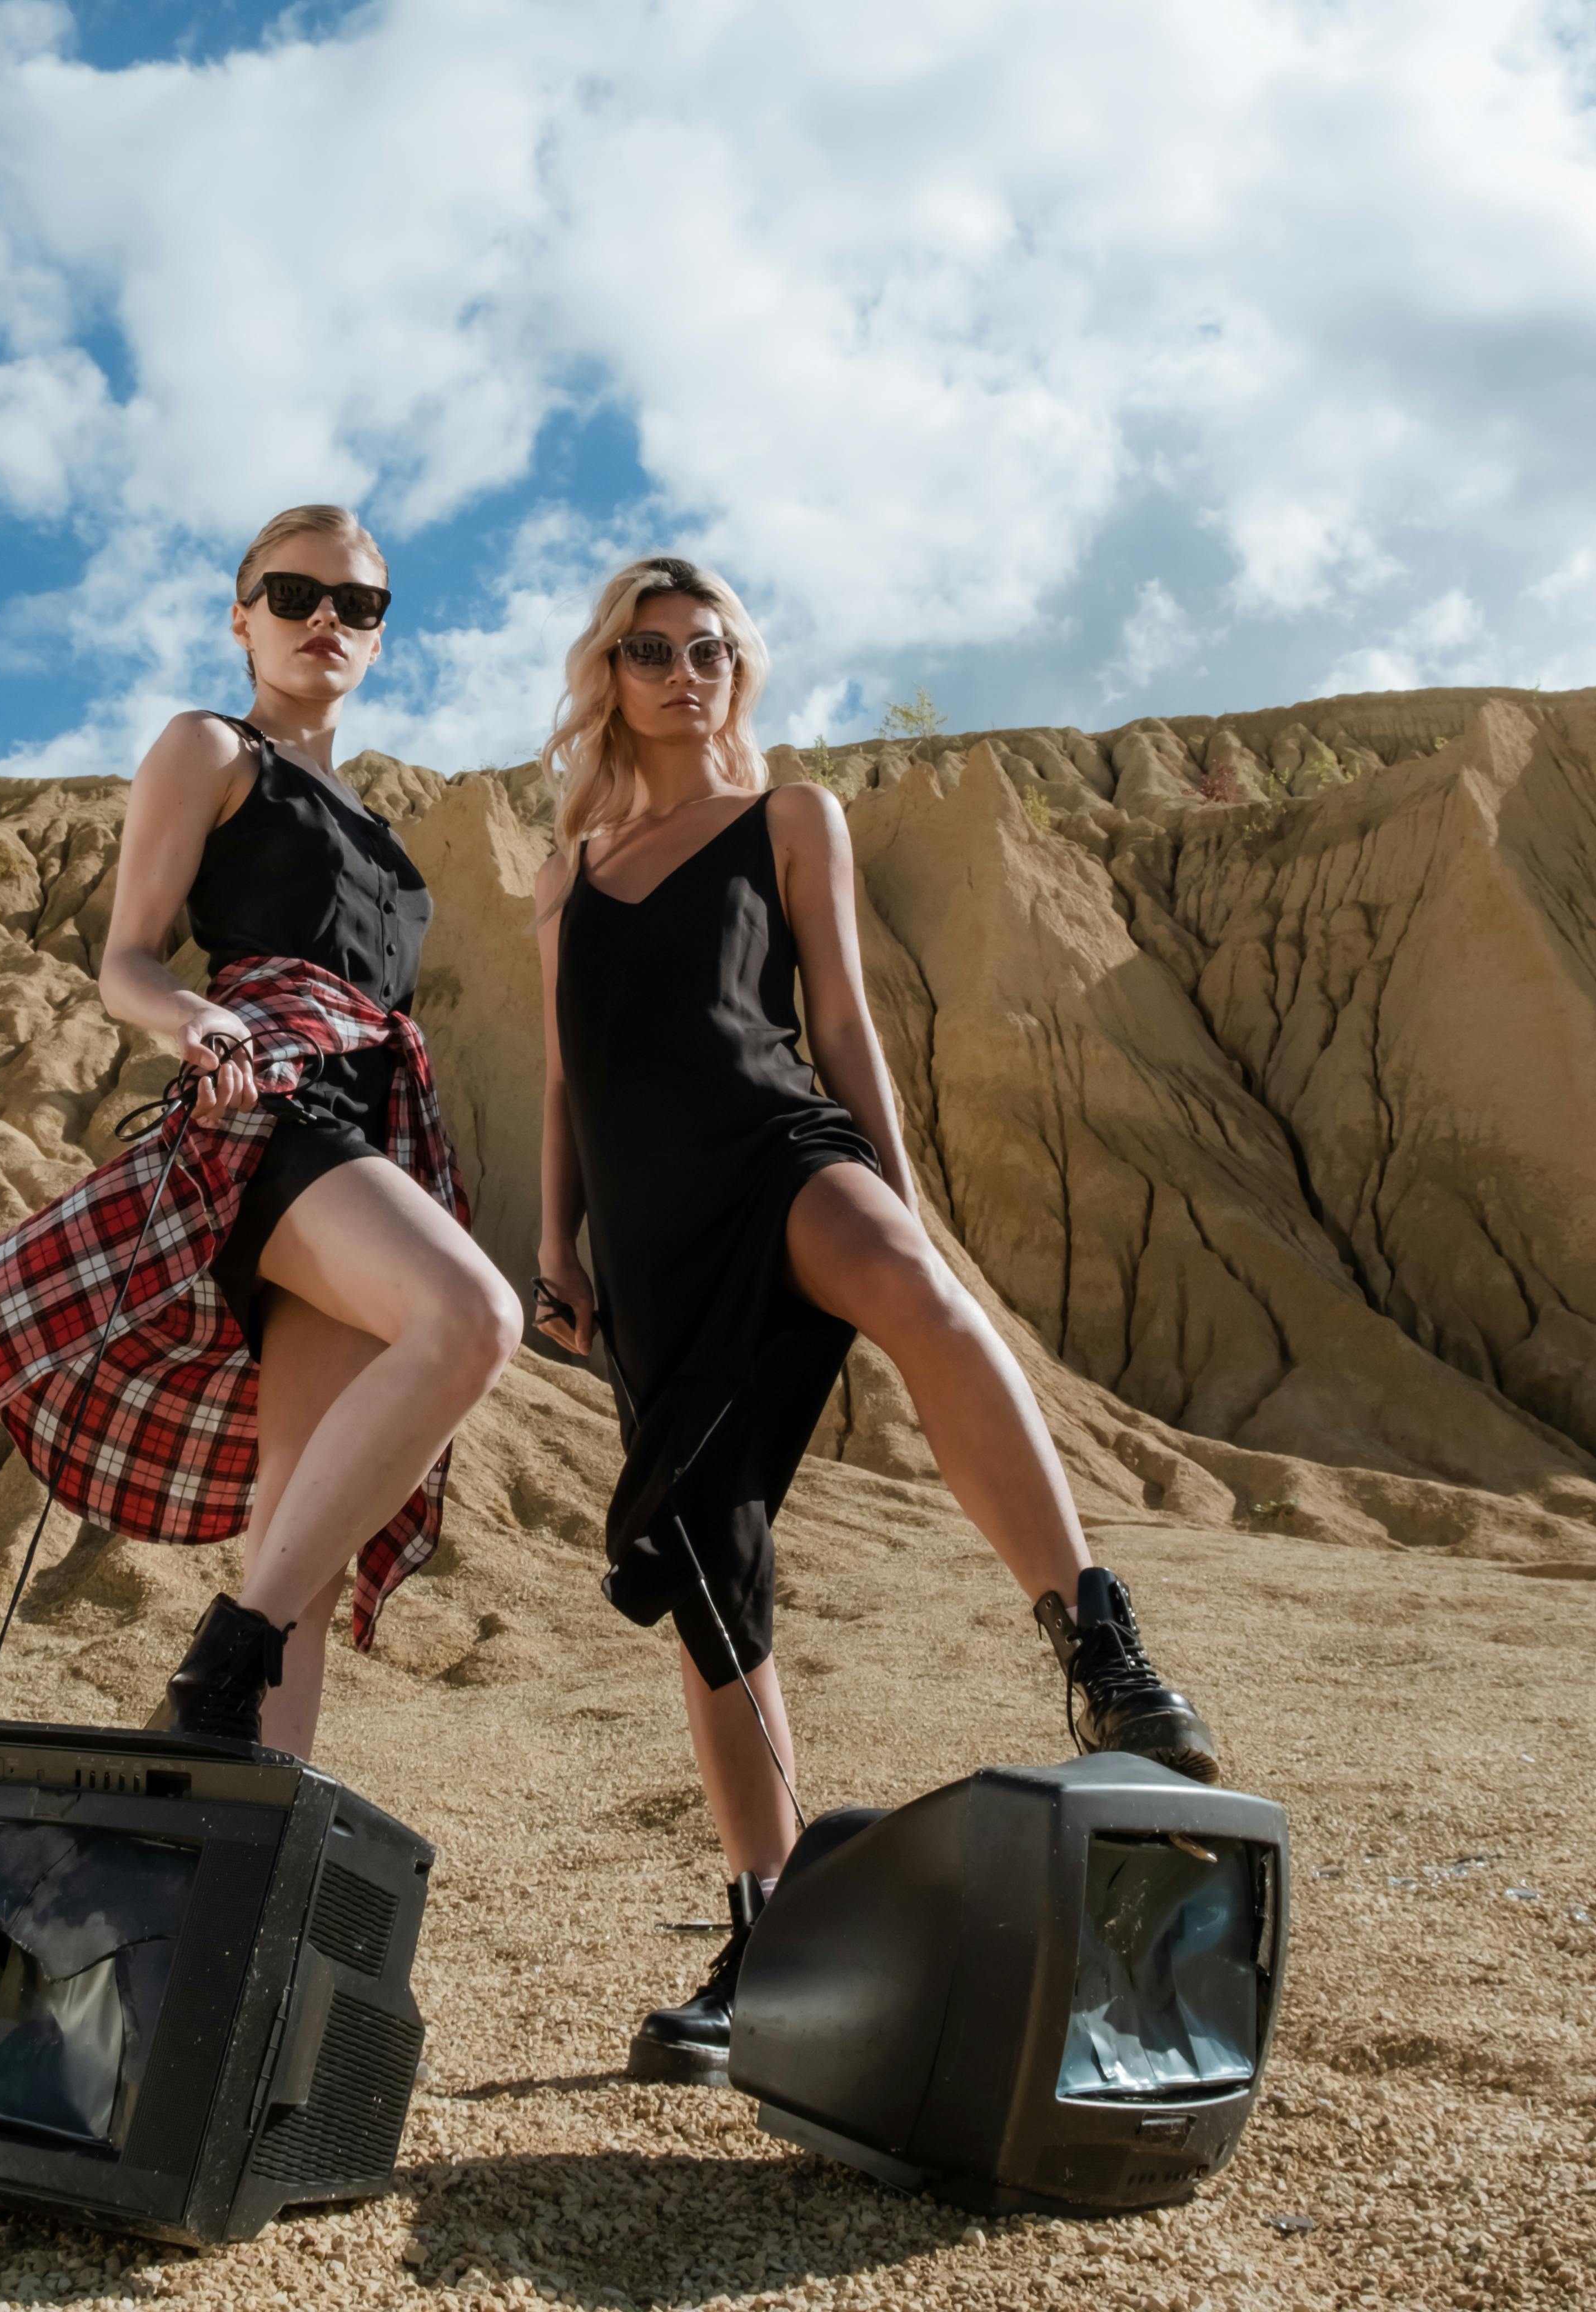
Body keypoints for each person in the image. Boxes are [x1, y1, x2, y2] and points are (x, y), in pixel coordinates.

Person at [528, 555, 1218, 2086]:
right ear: (610, 675)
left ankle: (1101, 1646)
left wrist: (901, 1193)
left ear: (735, 669)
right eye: (650, 650)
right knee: (715, 1582)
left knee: (913, 1290)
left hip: (778, 1150)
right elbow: (571, 1075)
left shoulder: (790, 817)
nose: (683, 671)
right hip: (646, 1247)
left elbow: (838, 1018)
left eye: (708, 647)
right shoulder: (567, 872)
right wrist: (551, 1243)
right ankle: (768, 1935)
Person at [0, 506, 518, 1758]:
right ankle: (224, 1658)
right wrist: (203, 1024)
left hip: (374, 1128)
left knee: (303, 1518)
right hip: (275, 1107)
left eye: (357, 605)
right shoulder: (213, 746)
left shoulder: (376, 825)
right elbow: (127, 961)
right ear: (242, 613)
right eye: (295, 592)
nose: (326, 620)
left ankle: (233, 1834)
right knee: (474, 1318)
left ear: (380, 634)